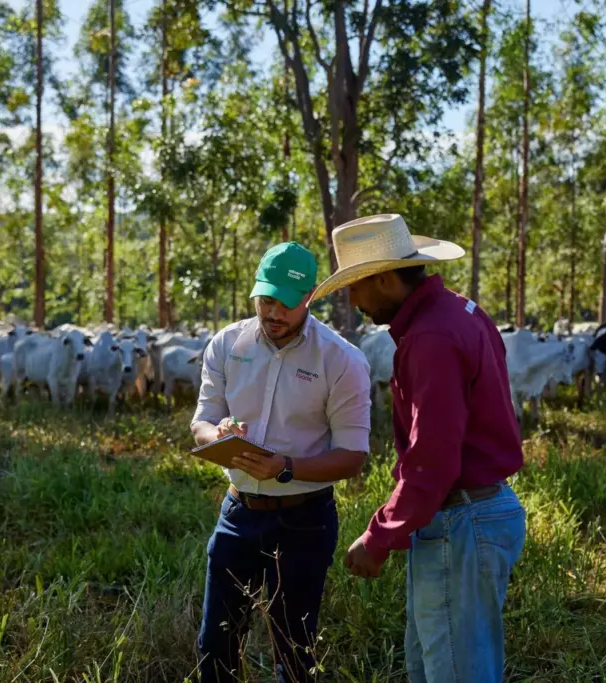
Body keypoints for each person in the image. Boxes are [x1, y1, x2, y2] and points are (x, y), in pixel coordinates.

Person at [310, 214, 526, 683]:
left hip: (461, 521)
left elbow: (433, 457)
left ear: (385, 278)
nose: (353, 299)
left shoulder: (429, 337)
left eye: (356, 286)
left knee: (452, 672)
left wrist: (380, 535)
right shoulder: (460, 311)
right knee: (436, 665)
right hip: (470, 515)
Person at [190, 241, 372, 683]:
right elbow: (201, 421)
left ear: (309, 297)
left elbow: (353, 457)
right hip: (238, 513)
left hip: (304, 520)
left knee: (294, 648)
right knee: (215, 643)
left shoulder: (342, 360)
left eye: (285, 304)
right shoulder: (227, 344)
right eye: (265, 299)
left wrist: (285, 468)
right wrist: (218, 436)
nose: (273, 313)